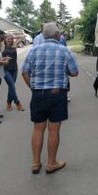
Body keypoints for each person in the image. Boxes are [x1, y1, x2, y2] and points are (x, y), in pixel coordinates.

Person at [21, 22, 78, 174]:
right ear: (57, 35)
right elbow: (75, 72)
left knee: (38, 128)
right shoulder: (64, 50)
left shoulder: (33, 51)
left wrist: (32, 87)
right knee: (53, 130)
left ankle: (35, 163)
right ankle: (51, 163)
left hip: (38, 94)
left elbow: (24, 71)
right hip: (57, 95)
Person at [2, 33, 24, 111]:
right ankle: (17, 103)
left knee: (11, 87)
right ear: (5, 39)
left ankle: (8, 103)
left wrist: (13, 36)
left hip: (14, 69)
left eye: (11, 39)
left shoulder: (14, 45)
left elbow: (23, 36)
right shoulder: (2, 45)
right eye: (8, 38)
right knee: (12, 86)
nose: (10, 40)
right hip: (5, 69)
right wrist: (4, 58)